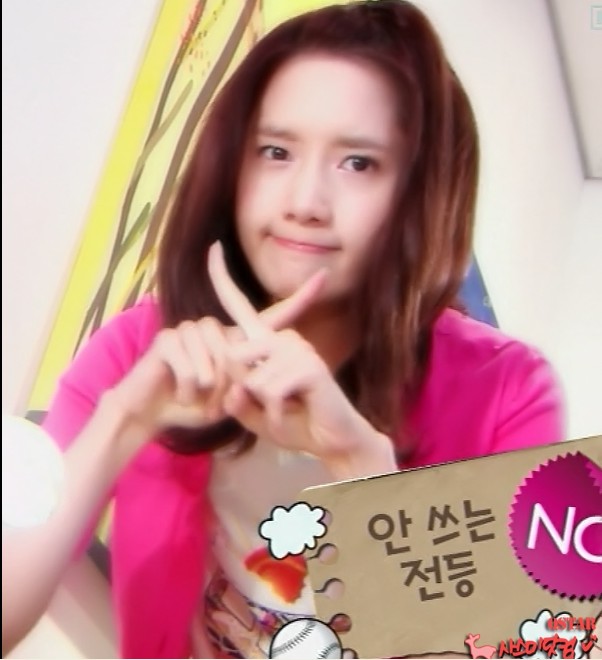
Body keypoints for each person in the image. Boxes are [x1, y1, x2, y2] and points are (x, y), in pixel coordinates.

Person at [2, 1, 565, 657]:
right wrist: (123, 422)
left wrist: (361, 467)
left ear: (423, 192)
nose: (304, 202)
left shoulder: (515, 390)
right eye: (275, 152)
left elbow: (544, 641)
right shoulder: (137, 351)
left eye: (358, 163)